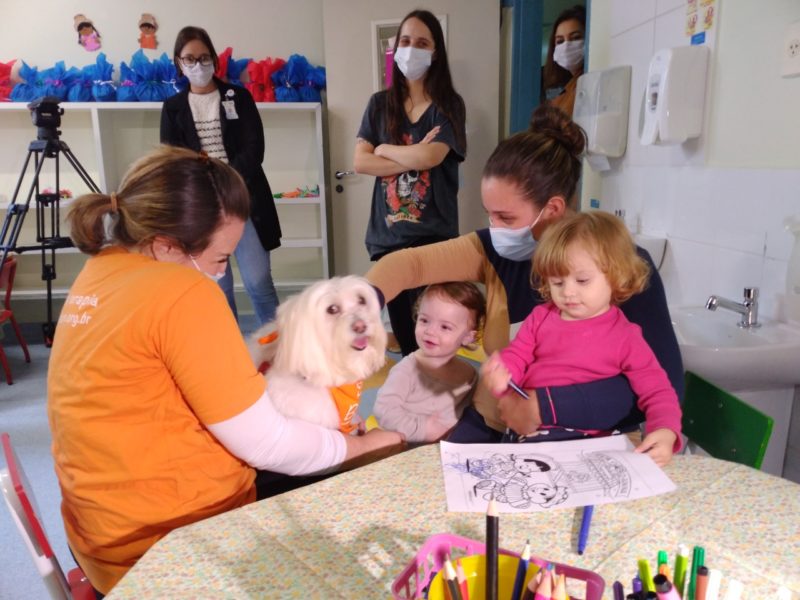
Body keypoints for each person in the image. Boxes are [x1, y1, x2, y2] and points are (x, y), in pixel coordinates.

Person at [47, 146, 403, 596]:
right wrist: (363, 445)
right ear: (166, 246)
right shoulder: (182, 292)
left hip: (99, 532)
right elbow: (267, 443)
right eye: (219, 259)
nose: (221, 274)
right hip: (161, 544)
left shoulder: (100, 271)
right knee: (369, 470)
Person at [366, 105, 684, 447]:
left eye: (506, 218)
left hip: (585, 438)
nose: (495, 228)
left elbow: (660, 384)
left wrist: (545, 407)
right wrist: (358, 302)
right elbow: (409, 265)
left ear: (553, 210)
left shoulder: (620, 265)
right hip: (495, 427)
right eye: (490, 215)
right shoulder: (493, 250)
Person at [481, 211, 682, 465]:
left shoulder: (626, 336)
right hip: (529, 432)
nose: (568, 292)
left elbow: (658, 389)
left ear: (616, 275)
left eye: (582, 280)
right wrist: (503, 370)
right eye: (557, 282)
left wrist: (665, 430)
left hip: (592, 442)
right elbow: (517, 354)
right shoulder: (541, 317)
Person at [354, 9, 467, 356]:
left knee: (437, 335)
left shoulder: (448, 105)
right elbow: (360, 162)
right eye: (405, 41)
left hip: (434, 237)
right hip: (390, 237)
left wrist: (384, 148)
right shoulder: (379, 104)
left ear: (436, 52)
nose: (411, 49)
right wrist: (412, 154)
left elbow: (431, 157)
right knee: (407, 336)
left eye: (421, 43)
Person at [161, 25, 281, 326]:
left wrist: (226, 182)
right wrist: (206, 187)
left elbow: (254, 149)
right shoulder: (173, 107)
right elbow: (173, 160)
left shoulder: (238, 97)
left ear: (214, 59)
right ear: (179, 63)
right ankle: (227, 350)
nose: (198, 65)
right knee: (218, 288)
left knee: (259, 282)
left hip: (244, 201)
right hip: (203, 211)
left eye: (204, 57)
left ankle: (280, 348)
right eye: (190, 59)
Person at [374, 282, 485, 443]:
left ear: (467, 337)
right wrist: (422, 430)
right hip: (409, 449)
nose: (430, 331)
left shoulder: (469, 374)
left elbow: (471, 414)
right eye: (424, 320)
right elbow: (383, 411)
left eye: (445, 327)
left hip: (450, 448)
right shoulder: (407, 370)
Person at [541, 4, 586, 117]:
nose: (566, 46)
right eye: (560, 41)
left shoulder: (588, 82)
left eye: (575, 37)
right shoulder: (565, 84)